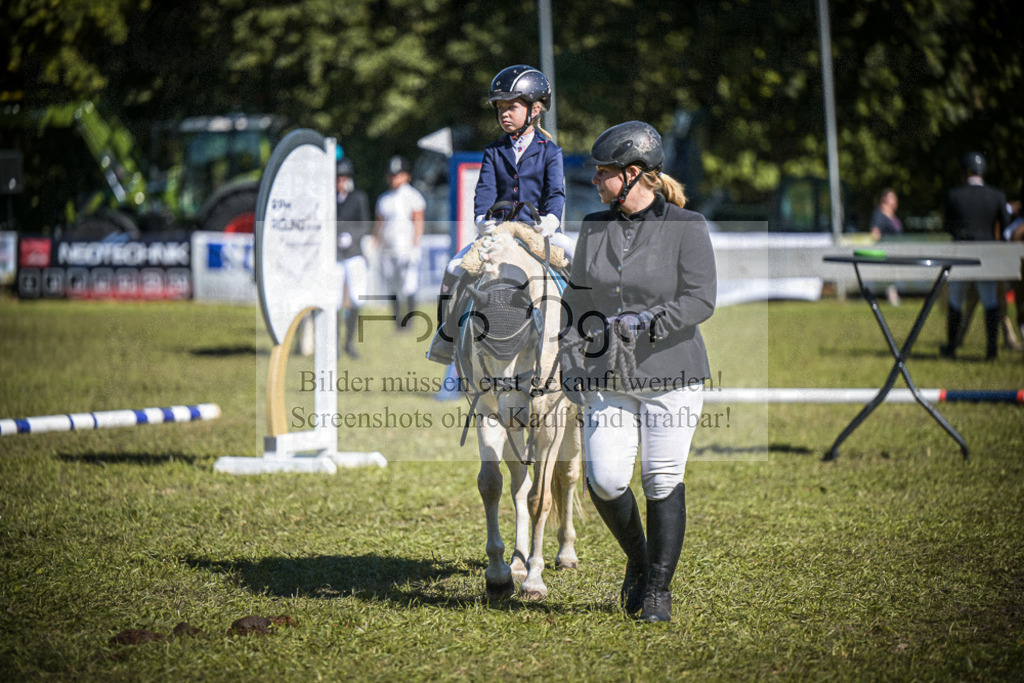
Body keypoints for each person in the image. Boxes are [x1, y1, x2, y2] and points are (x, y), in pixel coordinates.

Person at [559, 121, 716, 623]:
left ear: (632, 174)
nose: (596, 181)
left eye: (602, 173)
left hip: (673, 372)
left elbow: (700, 299)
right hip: (609, 374)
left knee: (661, 478)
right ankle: (640, 560)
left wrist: (646, 323)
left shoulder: (687, 227)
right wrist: (567, 349)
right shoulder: (593, 226)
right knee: (604, 478)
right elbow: (577, 297)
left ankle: (659, 591)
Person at [425, 64, 566, 364]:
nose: (504, 113)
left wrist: (551, 220)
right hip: (500, 232)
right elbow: (485, 190)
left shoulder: (550, 151)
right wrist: (481, 220)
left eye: (511, 107)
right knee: (454, 267)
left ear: (536, 109)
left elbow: (555, 192)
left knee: (578, 267)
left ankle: (582, 339)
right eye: (500, 108)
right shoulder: (493, 151)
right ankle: (446, 337)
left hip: (538, 232)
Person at [939, 152, 1011, 360]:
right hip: (986, 255)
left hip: (960, 253)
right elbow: (1005, 227)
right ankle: (991, 350)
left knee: (955, 300)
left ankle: (952, 346)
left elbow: (947, 226)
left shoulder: (954, 195)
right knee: (990, 301)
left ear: (964, 173)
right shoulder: (997, 195)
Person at [373, 155, 425, 331]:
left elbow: (418, 222)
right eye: (392, 175)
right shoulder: (384, 199)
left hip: (406, 247)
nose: (395, 178)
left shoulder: (413, 196)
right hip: (388, 248)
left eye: (398, 174)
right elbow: (379, 224)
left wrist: (415, 245)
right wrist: (375, 244)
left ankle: (409, 321)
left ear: (405, 175)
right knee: (392, 285)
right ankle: (397, 321)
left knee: (409, 284)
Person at [336, 156, 372, 357]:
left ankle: (349, 341)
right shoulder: (330, 200)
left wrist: (351, 237)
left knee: (357, 298)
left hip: (354, 253)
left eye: (343, 178)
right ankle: (333, 343)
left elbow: (364, 224)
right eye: (338, 178)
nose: (340, 182)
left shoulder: (357, 198)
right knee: (333, 300)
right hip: (336, 255)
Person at [868, 188, 904, 306]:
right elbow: (875, 233)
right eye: (892, 198)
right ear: (884, 199)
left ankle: (890, 295)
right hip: (885, 250)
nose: (894, 201)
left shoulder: (892, 216)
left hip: (895, 250)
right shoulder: (879, 214)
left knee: (890, 276)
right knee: (887, 276)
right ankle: (889, 296)